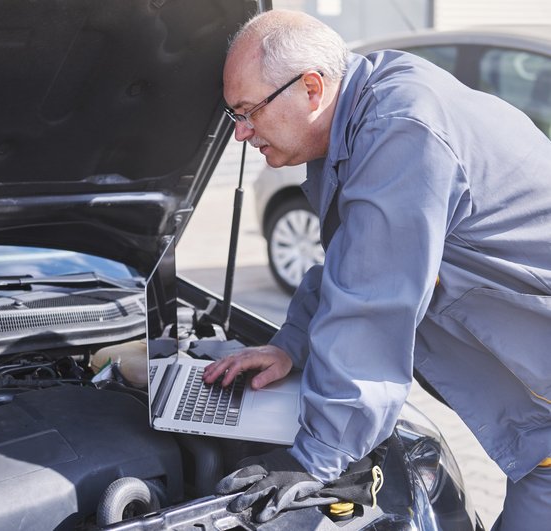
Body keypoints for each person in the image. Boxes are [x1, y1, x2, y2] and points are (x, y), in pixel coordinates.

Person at [202, 9, 551, 529]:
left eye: (249, 111)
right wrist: (290, 343)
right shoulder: (365, 112)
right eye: (235, 115)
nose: (241, 133)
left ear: (312, 88)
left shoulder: (399, 130)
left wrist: (314, 458)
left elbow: (372, 303)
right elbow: (355, 258)